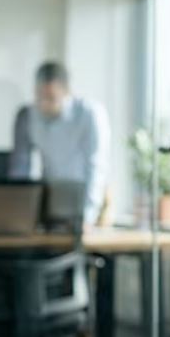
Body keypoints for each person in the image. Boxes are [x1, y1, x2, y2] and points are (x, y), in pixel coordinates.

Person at [8, 61, 110, 225]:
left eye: (51, 98)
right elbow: (20, 166)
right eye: (39, 97)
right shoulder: (28, 115)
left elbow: (96, 165)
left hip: (86, 201)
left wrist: (87, 216)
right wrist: (18, 211)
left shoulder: (90, 113)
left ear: (66, 91)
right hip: (50, 201)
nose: (43, 104)